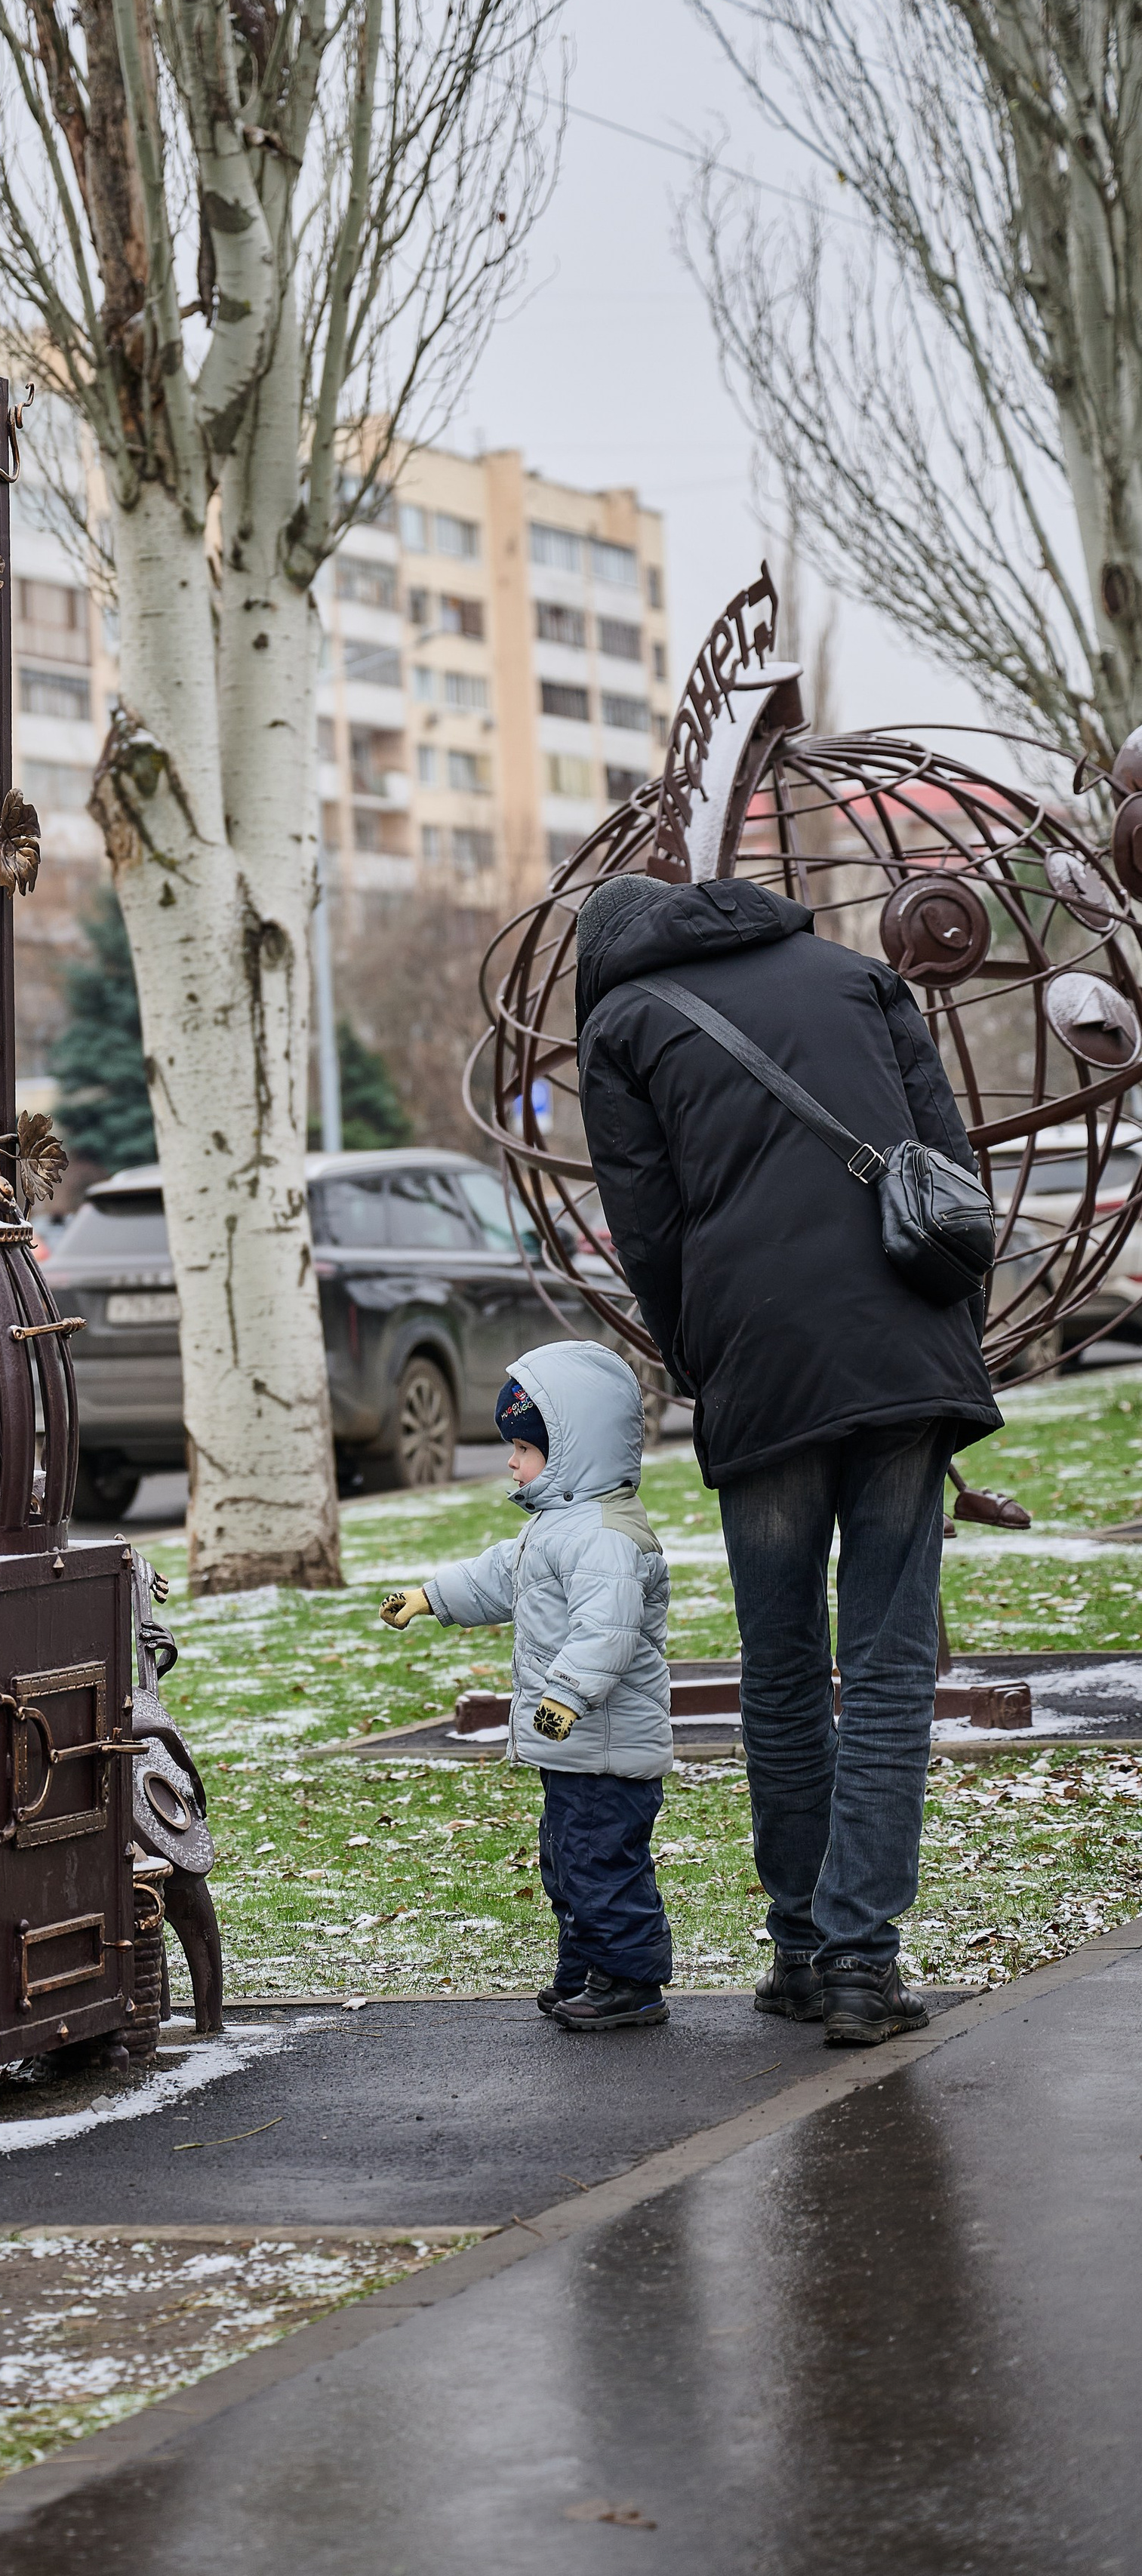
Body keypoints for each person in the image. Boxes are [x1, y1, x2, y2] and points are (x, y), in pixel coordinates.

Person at [574, 872, 1000, 2048]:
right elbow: (951, 1168)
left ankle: (804, 1946)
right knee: (889, 1661)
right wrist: (948, 1329)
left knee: (780, 1668)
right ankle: (864, 1962)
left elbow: (646, 1229)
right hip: (905, 1355)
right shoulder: (862, 977)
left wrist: (704, 1355)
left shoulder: (623, 1026)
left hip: (762, 1363)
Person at [382, 1340, 673, 2031]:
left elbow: (607, 1632)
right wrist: (431, 1595)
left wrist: (564, 1697)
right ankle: (586, 1966)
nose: (511, 1461)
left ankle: (631, 1981)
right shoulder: (557, 1527)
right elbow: (497, 1575)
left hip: (603, 1746)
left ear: (575, 1450)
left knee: (602, 1864)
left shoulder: (606, 1537)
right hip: (577, 1751)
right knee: (568, 1863)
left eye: (524, 1447)